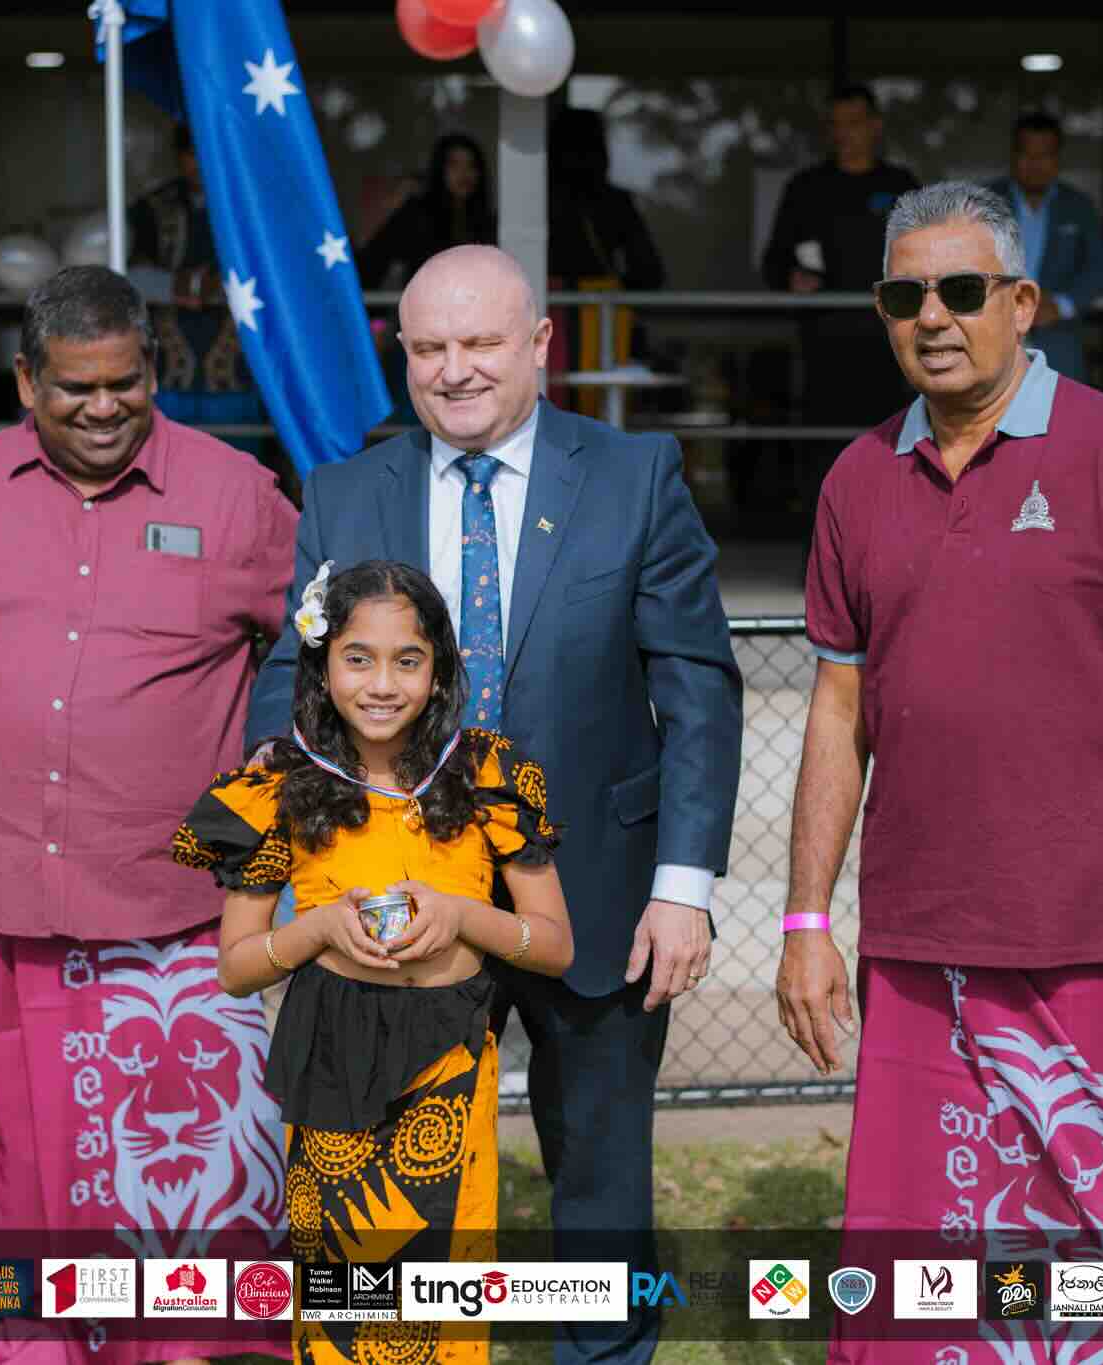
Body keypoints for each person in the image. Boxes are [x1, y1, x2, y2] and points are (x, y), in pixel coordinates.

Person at [246, 244, 742, 1365]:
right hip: (394, 898)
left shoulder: (634, 474)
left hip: (601, 892)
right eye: (428, 348)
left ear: (536, 345)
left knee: (601, 1172)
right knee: (376, 1162)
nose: (454, 370)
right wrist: (289, 869)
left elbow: (697, 692)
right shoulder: (342, 490)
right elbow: (289, 683)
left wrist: (683, 889)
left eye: (479, 344)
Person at [775, 183, 1103, 1365]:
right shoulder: (852, 482)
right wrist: (803, 918)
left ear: (1021, 304)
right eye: (903, 294)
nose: (932, 316)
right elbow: (837, 710)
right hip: (917, 944)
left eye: (962, 290)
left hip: (1093, 944)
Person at [0, 265, 298, 1364]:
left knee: (198, 1164)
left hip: (182, 915)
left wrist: (269, 842)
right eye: (74, 390)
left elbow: (316, 674)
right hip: (4, 903)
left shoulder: (241, 496)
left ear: (152, 368)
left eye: (126, 384)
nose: (104, 409)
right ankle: (43, 1346)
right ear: (24, 382)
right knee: (31, 1162)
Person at [179, 559, 574, 1365]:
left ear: (441, 671)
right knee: (343, 1305)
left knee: (441, 1299)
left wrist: (466, 914)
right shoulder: (279, 790)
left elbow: (556, 945)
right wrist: (318, 928)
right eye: (357, 657)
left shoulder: (485, 777)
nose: (382, 683)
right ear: (322, 667)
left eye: (408, 659)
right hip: (333, 1055)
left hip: (450, 1066)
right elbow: (237, 965)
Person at [761, 84, 922, 506]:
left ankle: (887, 556)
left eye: (854, 123)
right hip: (824, 346)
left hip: (891, 346)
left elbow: (929, 259)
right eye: (835, 125)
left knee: (892, 451)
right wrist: (792, 279)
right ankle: (823, 556)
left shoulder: (901, 185)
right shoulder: (806, 187)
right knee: (824, 457)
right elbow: (773, 263)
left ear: (875, 126)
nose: (845, 133)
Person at [129, 124, 264, 443]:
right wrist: (177, 286)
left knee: (237, 478)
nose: (200, 163)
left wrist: (220, 285)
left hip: (235, 374)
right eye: (192, 153)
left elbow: (280, 275)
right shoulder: (152, 208)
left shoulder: (253, 206)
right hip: (168, 375)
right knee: (167, 475)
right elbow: (125, 275)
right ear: (179, 157)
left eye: (208, 152)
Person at [546, 107, 665, 421]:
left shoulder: (533, 200)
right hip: (602, 316)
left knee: (547, 403)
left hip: (544, 312)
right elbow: (649, 272)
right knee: (602, 409)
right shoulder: (614, 202)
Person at [985, 112, 1103, 384]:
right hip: (992, 336)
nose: (1035, 164)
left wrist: (1061, 306)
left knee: (1063, 421)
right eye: (1027, 154)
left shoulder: (1078, 206)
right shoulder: (983, 202)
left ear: (1058, 159)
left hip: (1058, 340)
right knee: (989, 422)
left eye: (1045, 155)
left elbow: (1099, 269)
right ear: (1012, 156)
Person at [358, 132, 497, 290]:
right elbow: (373, 263)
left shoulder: (487, 222)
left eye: (471, 165)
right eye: (454, 165)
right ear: (440, 170)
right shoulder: (416, 215)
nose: (463, 173)